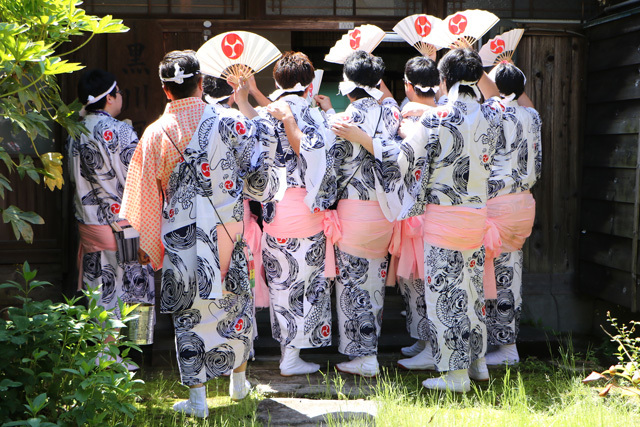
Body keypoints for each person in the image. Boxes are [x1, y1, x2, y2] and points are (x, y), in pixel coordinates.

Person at [121, 50, 281, 417]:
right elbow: (258, 179)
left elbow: (144, 198)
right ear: (200, 83)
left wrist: (150, 246)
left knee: (189, 314)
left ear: (165, 90)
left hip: (183, 234)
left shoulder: (155, 134)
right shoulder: (232, 122)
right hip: (229, 227)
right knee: (234, 302)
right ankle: (238, 383)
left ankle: (197, 401)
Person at [335, 48, 503, 392]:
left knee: (445, 293)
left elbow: (400, 159)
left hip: (443, 215)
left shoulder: (436, 119)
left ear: (444, 79)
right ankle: (477, 364)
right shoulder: (493, 116)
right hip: (477, 213)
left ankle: (455, 377)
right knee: (471, 292)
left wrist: (362, 139)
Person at [252, 52, 337, 376]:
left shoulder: (266, 114)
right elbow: (319, 153)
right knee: (307, 282)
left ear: (276, 81)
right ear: (309, 84)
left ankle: (287, 352)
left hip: (275, 208)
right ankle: (294, 353)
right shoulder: (312, 113)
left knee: (280, 281)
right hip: (306, 207)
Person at [319, 50, 401, 377]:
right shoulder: (391, 112)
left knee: (352, 285)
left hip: (354, 209)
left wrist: (322, 201)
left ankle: (363, 357)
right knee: (374, 283)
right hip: (384, 211)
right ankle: (372, 349)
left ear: (348, 82)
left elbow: (333, 167)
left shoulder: (346, 117)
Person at [68, 69, 155, 359]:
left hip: (90, 223)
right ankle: (131, 354)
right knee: (134, 287)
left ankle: (102, 354)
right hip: (123, 224)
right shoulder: (120, 131)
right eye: (119, 93)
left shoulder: (75, 131)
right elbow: (139, 177)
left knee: (100, 287)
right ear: (110, 98)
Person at [482, 61, 541, 366]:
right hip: (523, 204)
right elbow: (521, 97)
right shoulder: (531, 115)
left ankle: (495, 348)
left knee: (485, 275)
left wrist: (474, 64)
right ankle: (506, 347)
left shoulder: (492, 114)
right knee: (510, 273)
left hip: (497, 204)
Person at [388, 57, 440, 370]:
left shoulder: (431, 115)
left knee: (426, 280)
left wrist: (409, 136)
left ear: (408, 85)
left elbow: (409, 161)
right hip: (418, 208)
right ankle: (423, 339)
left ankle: (433, 344)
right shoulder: (443, 110)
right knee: (413, 280)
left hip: (427, 208)